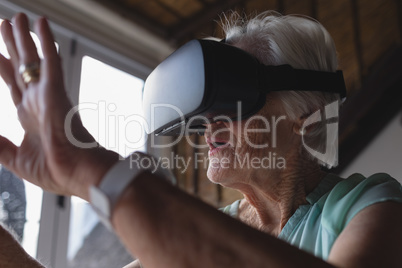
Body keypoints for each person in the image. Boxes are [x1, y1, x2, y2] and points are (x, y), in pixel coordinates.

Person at [0, 11, 401, 268]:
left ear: (305, 115)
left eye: (233, 96)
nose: (209, 123)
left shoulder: (372, 206)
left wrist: (96, 172)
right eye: (206, 104)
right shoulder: (207, 227)